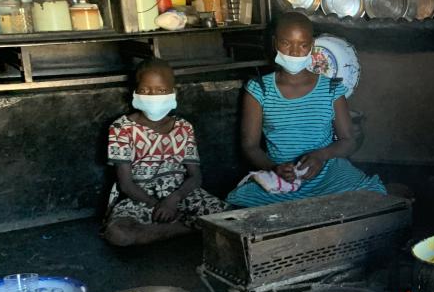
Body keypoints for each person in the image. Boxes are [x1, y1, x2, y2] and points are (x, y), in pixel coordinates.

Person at [226, 12, 385, 207]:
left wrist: (321, 156)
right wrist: (274, 167)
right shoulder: (260, 89)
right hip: (281, 176)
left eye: (302, 45)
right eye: (286, 43)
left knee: (371, 195)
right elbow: (250, 146)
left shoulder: (331, 88)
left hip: (328, 173)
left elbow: (348, 141)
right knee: (240, 204)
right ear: (275, 43)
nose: (294, 52)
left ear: (311, 46)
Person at [103, 58, 228, 246]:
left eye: (161, 90)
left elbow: (195, 177)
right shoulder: (122, 128)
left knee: (232, 218)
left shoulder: (184, 127)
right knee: (119, 234)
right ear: (135, 93)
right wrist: (157, 206)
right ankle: (190, 227)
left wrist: (173, 200)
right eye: (145, 90)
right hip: (139, 199)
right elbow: (126, 184)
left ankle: (176, 228)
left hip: (182, 195)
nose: (153, 96)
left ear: (172, 93)